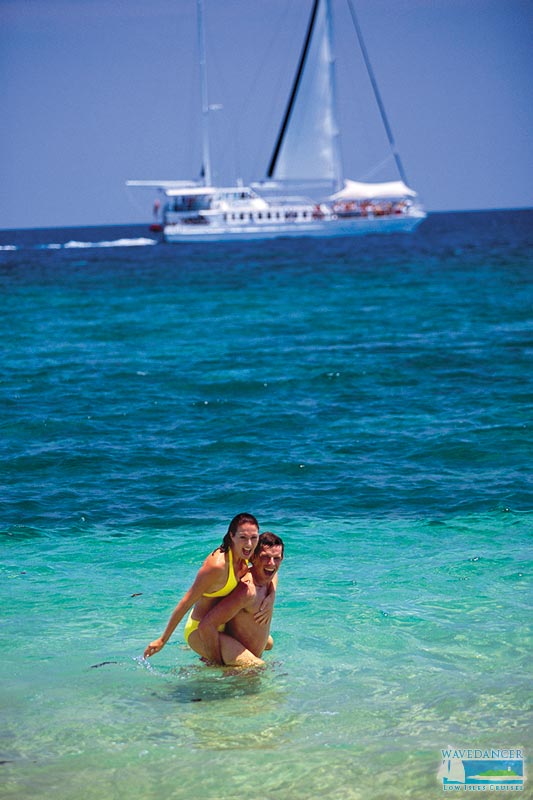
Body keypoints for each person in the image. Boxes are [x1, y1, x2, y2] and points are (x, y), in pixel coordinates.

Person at [143, 513, 275, 659]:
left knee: (268, 643)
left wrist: (271, 597)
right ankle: (206, 658)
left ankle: (208, 660)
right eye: (243, 537)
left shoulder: (247, 553)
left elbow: (271, 569)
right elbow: (186, 602)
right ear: (232, 536)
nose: (249, 544)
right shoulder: (217, 566)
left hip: (225, 625)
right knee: (253, 666)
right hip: (201, 628)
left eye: (254, 537)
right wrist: (162, 640)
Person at [197, 532, 284, 668]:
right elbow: (206, 625)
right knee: (260, 667)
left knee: (269, 643)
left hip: (252, 649)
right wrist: (217, 663)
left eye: (276, 558)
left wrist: (271, 595)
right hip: (233, 653)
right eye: (265, 557)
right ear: (253, 557)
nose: (271, 563)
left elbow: (275, 573)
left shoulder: (268, 577)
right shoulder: (246, 591)